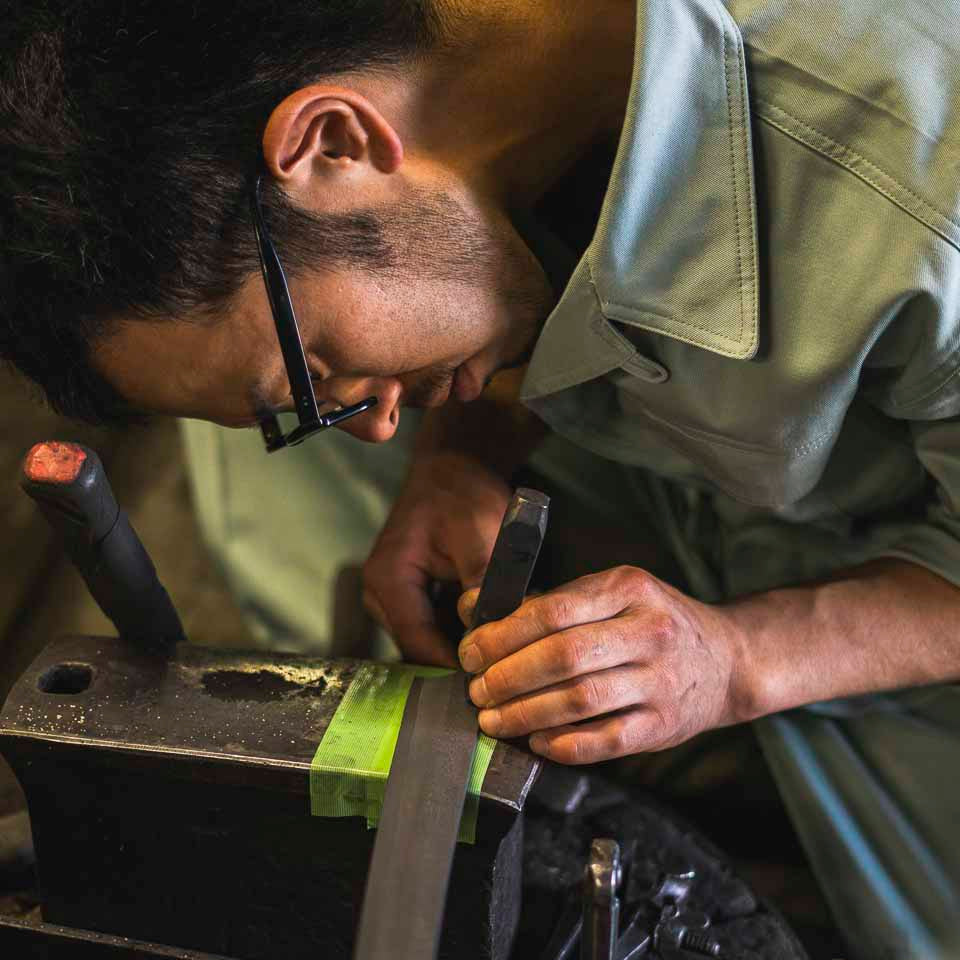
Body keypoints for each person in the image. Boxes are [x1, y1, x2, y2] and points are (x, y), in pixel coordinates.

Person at [4, 1, 960, 955]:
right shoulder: (474, 84)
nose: (376, 423)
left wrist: (742, 659)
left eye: (319, 373)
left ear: (333, 140)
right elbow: (467, 236)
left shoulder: (914, 191)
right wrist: (463, 455)